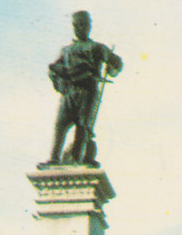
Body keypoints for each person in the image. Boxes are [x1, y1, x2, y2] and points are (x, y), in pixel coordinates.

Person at [42, 10, 122, 168]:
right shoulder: (66, 51)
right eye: (76, 25)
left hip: (87, 91)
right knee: (60, 126)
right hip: (69, 92)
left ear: (89, 26)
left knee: (83, 127)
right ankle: (54, 158)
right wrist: (60, 82)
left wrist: (112, 69)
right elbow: (53, 69)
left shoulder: (97, 47)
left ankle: (78, 159)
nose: (79, 28)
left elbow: (116, 63)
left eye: (83, 24)